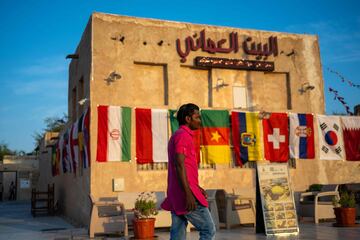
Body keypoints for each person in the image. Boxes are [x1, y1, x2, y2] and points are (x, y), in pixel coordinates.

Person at [161, 103, 216, 240]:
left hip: (178, 191)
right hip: (185, 193)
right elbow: (179, 165)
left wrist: (196, 186)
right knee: (208, 229)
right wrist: (188, 193)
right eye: (197, 117)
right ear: (188, 119)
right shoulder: (183, 136)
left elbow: (184, 166)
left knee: (178, 234)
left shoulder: (178, 135)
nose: (200, 121)